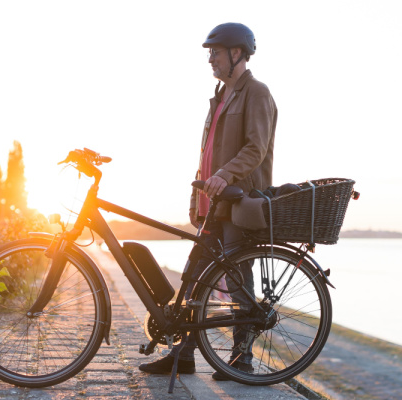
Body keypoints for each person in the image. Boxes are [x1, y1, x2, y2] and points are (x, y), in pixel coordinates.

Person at [139, 22, 277, 381]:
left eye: (215, 52)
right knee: (194, 281)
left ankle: (242, 359)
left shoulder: (256, 93)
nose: (210, 59)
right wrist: (196, 196)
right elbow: (206, 156)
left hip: (240, 203)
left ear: (236, 53)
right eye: (209, 54)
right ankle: (183, 356)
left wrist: (225, 176)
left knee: (236, 281)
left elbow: (256, 148)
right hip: (213, 206)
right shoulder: (219, 97)